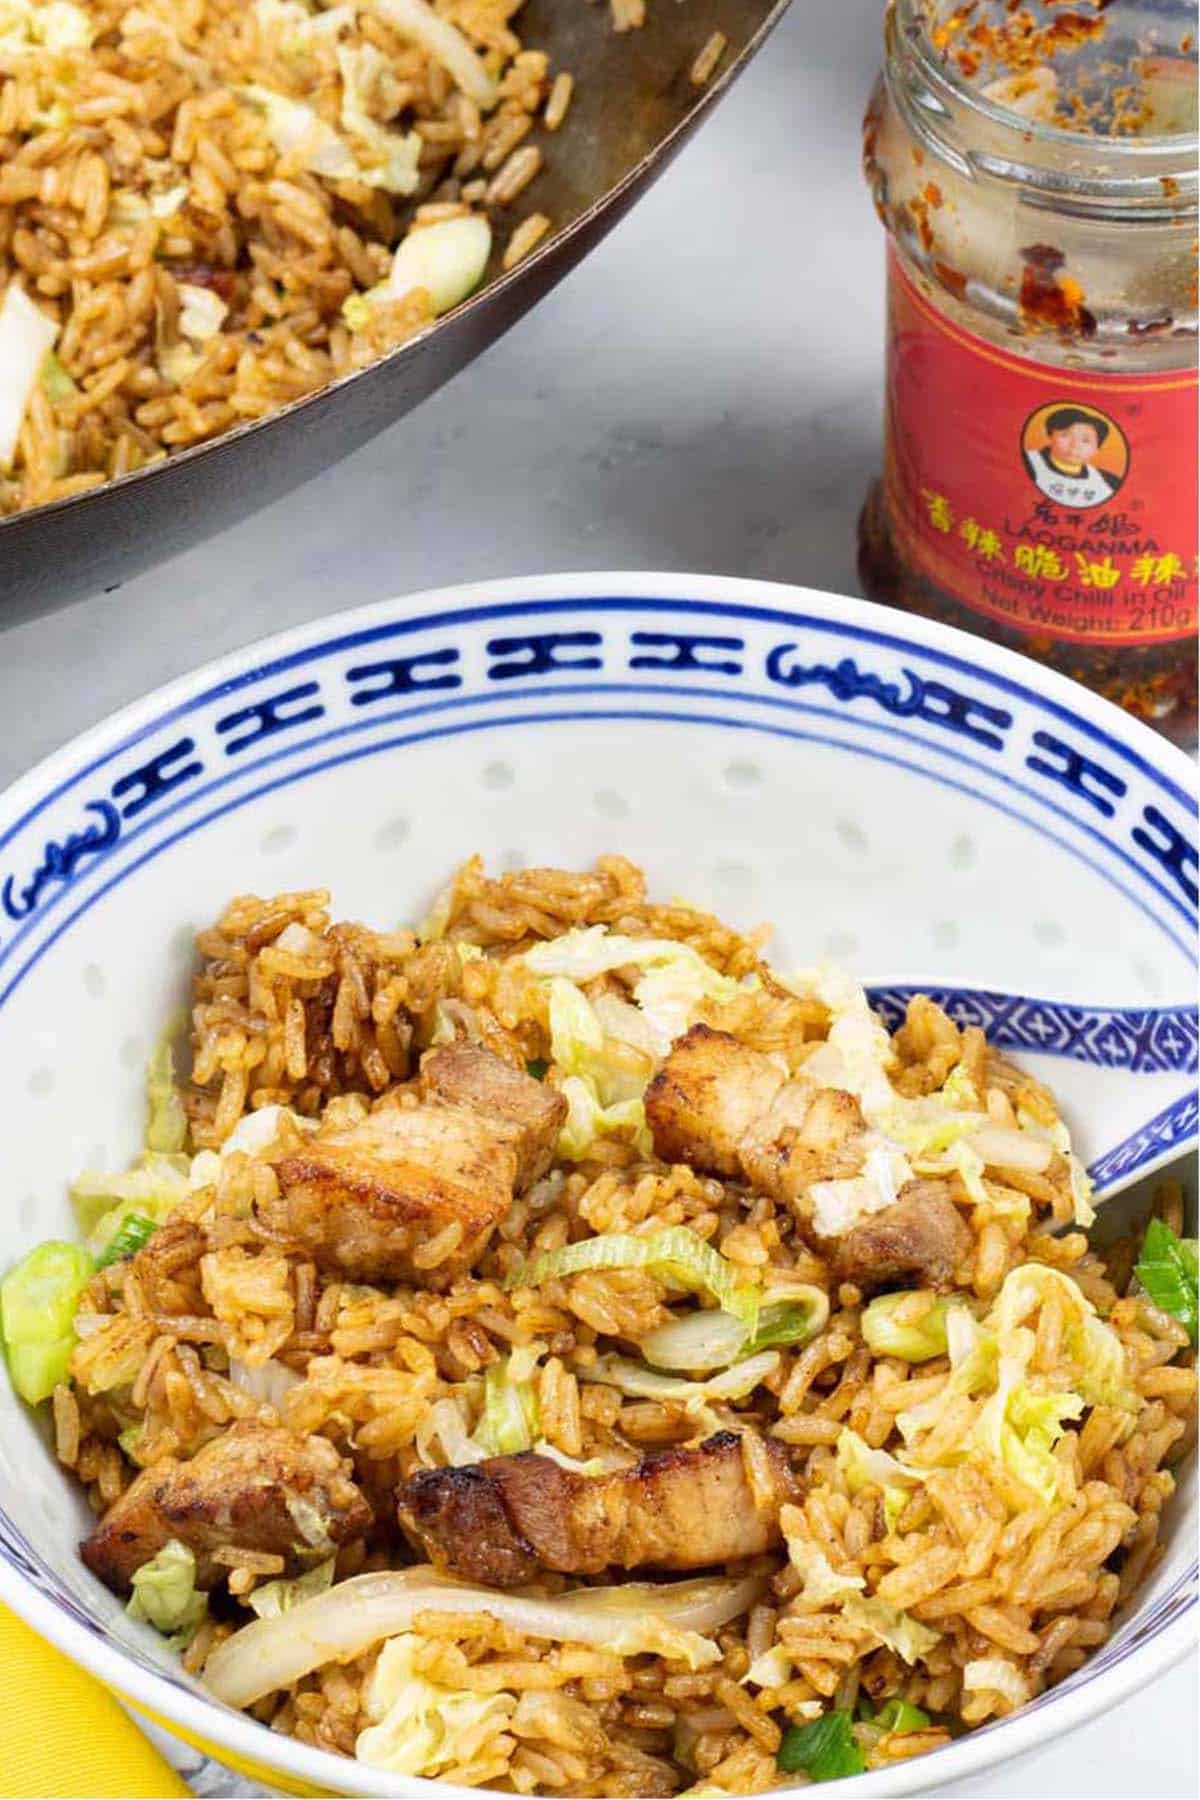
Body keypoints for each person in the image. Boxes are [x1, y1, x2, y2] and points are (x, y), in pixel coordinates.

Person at [1023, 406, 1122, 508]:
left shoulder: (1109, 482)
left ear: (1096, 449)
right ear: (1050, 436)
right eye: (1065, 435)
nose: (1075, 446)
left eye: (1085, 441)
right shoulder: (1027, 462)